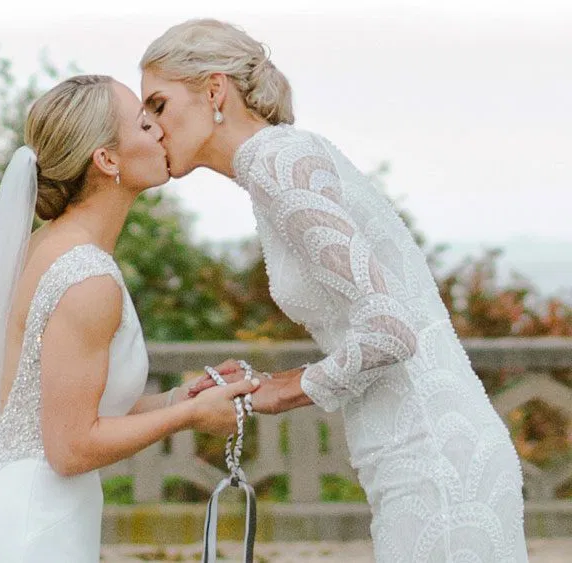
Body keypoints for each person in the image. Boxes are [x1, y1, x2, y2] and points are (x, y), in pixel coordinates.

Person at [140, 19, 528, 562]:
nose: (149, 126)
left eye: (158, 104)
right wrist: (266, 380)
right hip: (413, 455)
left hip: (436, 463)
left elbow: (389, 331)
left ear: (214, 90)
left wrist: (282, 390)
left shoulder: (276, 161)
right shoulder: (278, 161)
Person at [0, 74, 259, 562]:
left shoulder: (47, 247)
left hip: (24, 512)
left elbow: (67, 406)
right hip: (34, 528)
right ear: (106, 160)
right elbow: (70, 448)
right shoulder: (86, 277)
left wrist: (181, 397)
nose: (160, 130)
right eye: (144, 124)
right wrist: (190, 417)